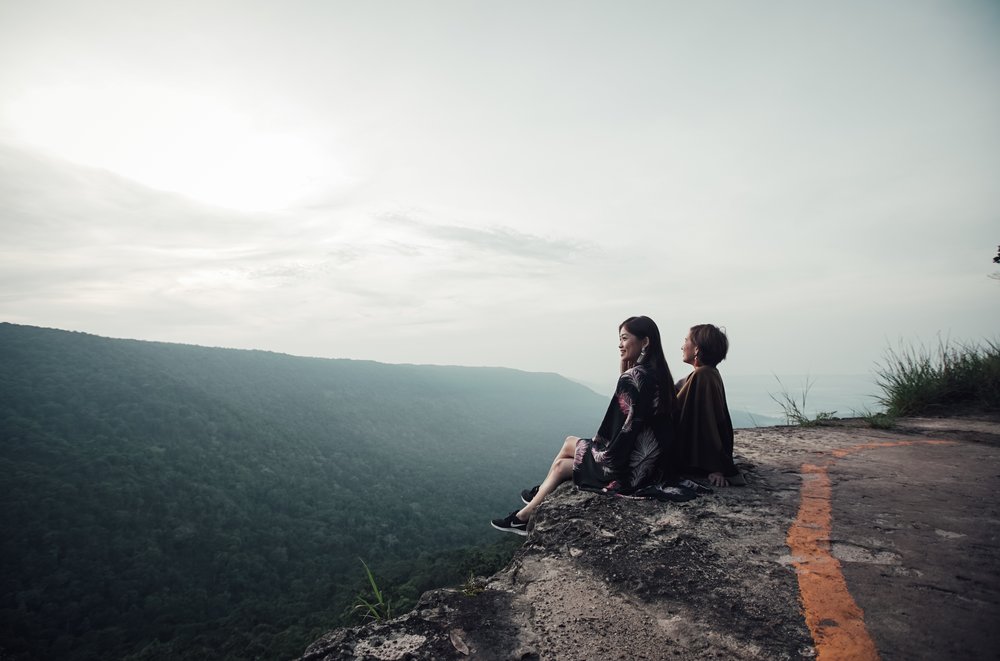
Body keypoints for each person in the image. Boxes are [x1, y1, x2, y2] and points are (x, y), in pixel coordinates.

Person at [491, 315, 676, 535]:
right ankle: (533, 502)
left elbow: (618, 428)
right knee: (567, 454)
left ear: (645, 342)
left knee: (564, 458)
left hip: (628, 471)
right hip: (650, 466)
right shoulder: (661, 374)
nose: (620, 344)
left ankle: (524, 515)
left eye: (624, 338)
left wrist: (599, 451)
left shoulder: (632, 376)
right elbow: (637, 419)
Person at [672, 324, 739, 487]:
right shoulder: (704, 373)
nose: (682, 346)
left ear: (697, 349)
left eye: (686, 341)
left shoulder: (704, 375)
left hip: (699, 460)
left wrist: (717, 467)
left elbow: (711, 422)